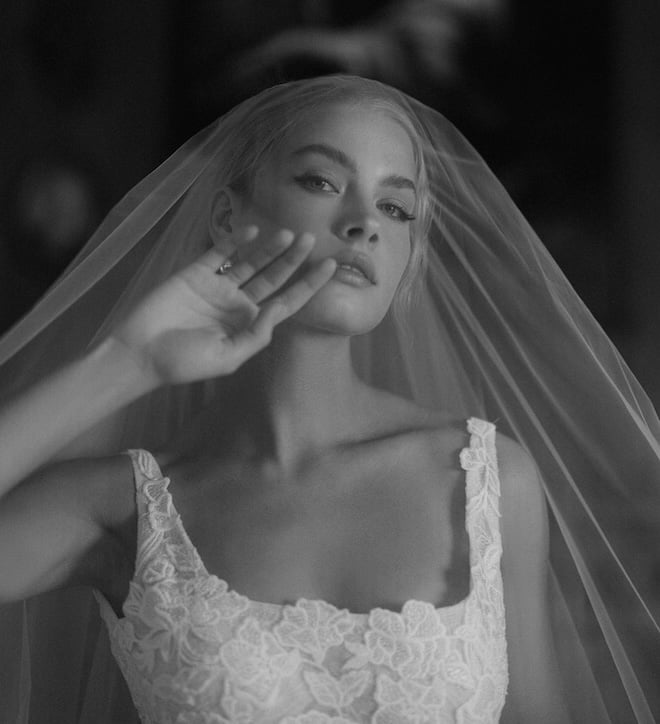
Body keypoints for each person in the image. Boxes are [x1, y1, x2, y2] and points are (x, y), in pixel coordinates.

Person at [0, 76, 657, 723]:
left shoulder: (488, 479)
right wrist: (127, 362)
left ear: (409, 255)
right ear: (230, 217)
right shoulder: (116, 509)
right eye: (322, 181)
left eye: (397, 208)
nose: (364, 223)